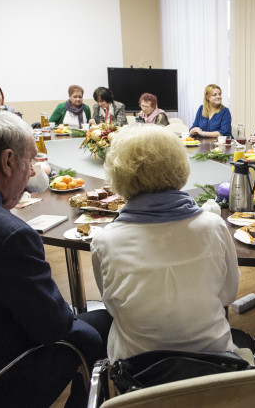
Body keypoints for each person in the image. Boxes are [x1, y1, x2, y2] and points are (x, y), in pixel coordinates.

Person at [0, 112, 109, 407]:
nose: (33, 173)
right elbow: (55, 327)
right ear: (8, 161)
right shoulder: (6, 234)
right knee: (98, 329)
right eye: (32, 161)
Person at [91, 124, 240, 362]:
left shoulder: (105, 241)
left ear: (117, 174)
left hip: (138, 372)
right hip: (215, 363)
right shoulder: (214, 226)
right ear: (180, 166)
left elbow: (113, 307)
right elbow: (228, 295)